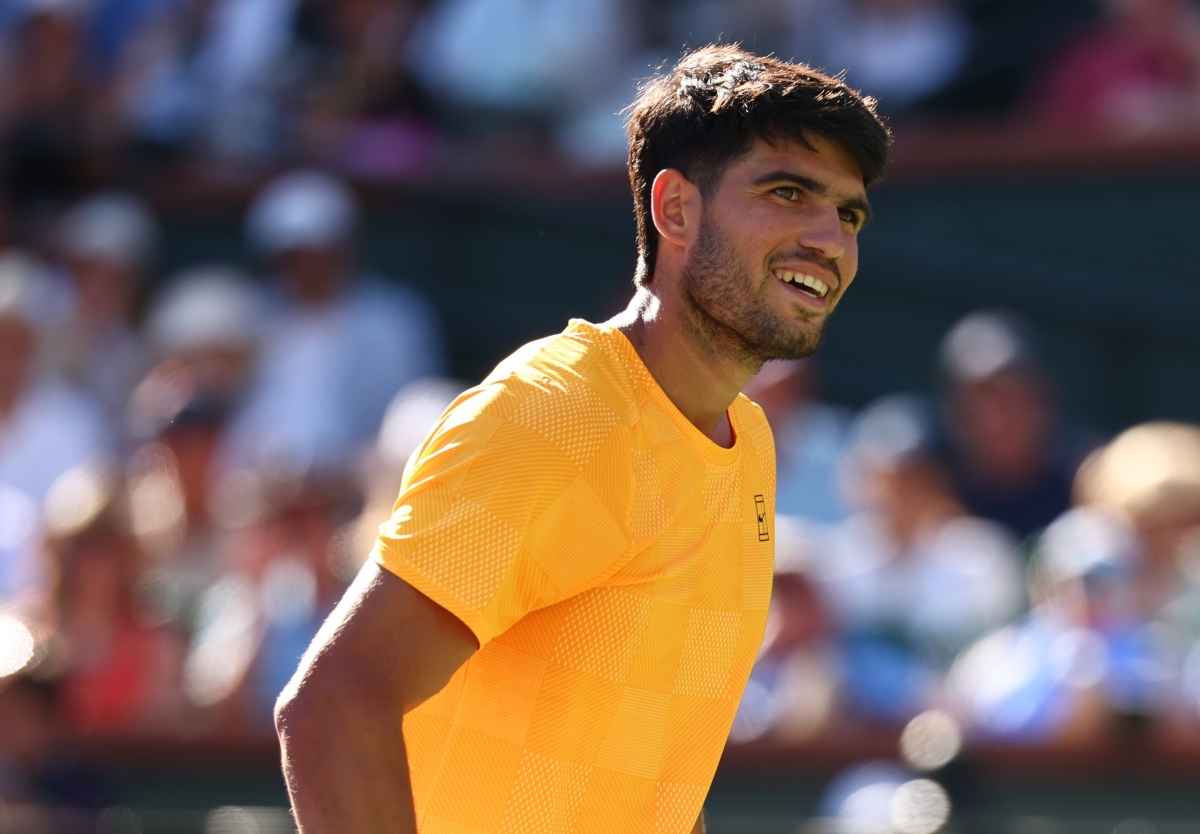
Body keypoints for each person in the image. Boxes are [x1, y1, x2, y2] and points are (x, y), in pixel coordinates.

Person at [275, 44, 889, 834]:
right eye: (788, 191)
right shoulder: (554, 414)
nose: (830, 238)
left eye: (849, 213)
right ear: (675, 210)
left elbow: (657, 781)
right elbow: (333, 705)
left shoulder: (753, 444)